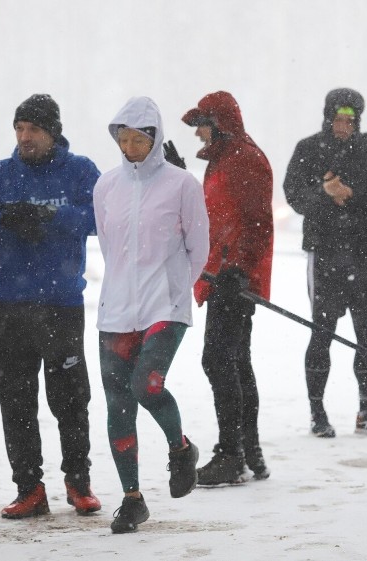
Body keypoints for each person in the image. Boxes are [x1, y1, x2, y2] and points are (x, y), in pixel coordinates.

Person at [0, 94, 101, 519]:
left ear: (52, 132)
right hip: (9, 307)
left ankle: (78, 483)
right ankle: (29, 489)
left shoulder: (80, 172)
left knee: (71, 399)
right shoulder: (0, 176)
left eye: (33, 130)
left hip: (61, 305)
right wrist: (3, 218)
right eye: (19, 129)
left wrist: (49, 217)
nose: (25, 137)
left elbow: (101, 219)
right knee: (16, 400)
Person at [94, 96, 209, 534]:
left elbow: (198, 247)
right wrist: (124, 284)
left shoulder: (181, 184)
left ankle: (180, 450)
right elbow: (109, 245)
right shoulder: (106, 186)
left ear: (155, 138)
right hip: (116, 308)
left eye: (138, 138)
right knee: (118, 402)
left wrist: (175, 286)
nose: (129, 146)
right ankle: (132, 498)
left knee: (146, 384)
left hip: (166, 303)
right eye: (122, 138)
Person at [282, 87, 367, 438]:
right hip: (325, 254)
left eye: (350, 120)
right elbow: (293, 194)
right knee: (321, 334)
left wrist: (353, 193)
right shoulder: (308, 148)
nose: (343, 126)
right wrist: (324, 193)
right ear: (327, 117)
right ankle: (318, 414)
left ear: (358, 120)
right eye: (337, 119)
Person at [175, 91, 274, 484]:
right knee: (236, 362)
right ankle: (249, 452)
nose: (198, 132)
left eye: (202, 123)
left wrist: (242, 271)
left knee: (219, 360)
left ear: (220, 123)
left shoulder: (244, 158)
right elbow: (212, 212)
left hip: (233, 279)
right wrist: (180, 175)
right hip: (222, 273)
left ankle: (232, 454)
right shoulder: (223, 159)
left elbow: (257, 222)